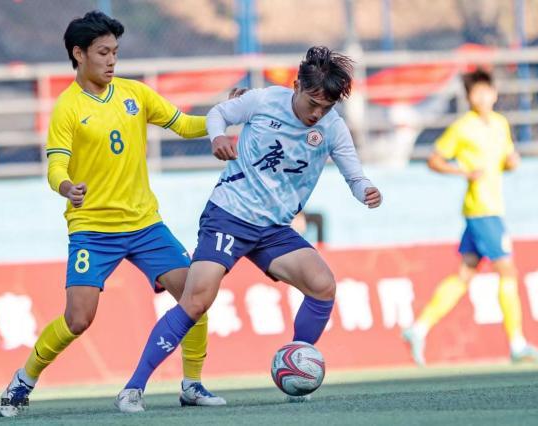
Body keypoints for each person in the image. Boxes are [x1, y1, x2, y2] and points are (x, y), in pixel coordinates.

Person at [117, 46, 382, 406]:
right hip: (230, 215)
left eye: (326, 107)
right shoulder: (264, 101)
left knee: (322, 286)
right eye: (313, 103)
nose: (317, 113)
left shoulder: (332, 127)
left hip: (273, 229)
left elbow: (354, 174)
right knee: (196, 301)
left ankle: (296, 367)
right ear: (296, 86)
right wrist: (217, 136)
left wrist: (365, 190)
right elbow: (219, 113)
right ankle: (133, 388)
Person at [0, 10, 226, 417]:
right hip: (92, 229)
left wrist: (226, 115)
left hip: (145, 225)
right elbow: (55, 166)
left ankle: (192, 384)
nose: (111, 61)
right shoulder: (68, 108)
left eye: (115, 52)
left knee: (196, 295)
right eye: (103, 52)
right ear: (79, 53)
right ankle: (22, 381)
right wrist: (66, 187)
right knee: (78, 319)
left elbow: (183, 125)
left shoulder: (134, 94)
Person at [402, 69, 538, 366]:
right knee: (508, 271)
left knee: (465, 274)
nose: (482, 97)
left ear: (494, 93)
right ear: (469, 97)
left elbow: (505, 161)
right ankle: (517, 344)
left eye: (486, 91)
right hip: (482, 210)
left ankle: (418, 329)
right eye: (476, 92)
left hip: (491, 208)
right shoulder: (462, 128)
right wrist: (463, 172)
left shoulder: (500, 123)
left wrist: (511, 163)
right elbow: (434, 160)